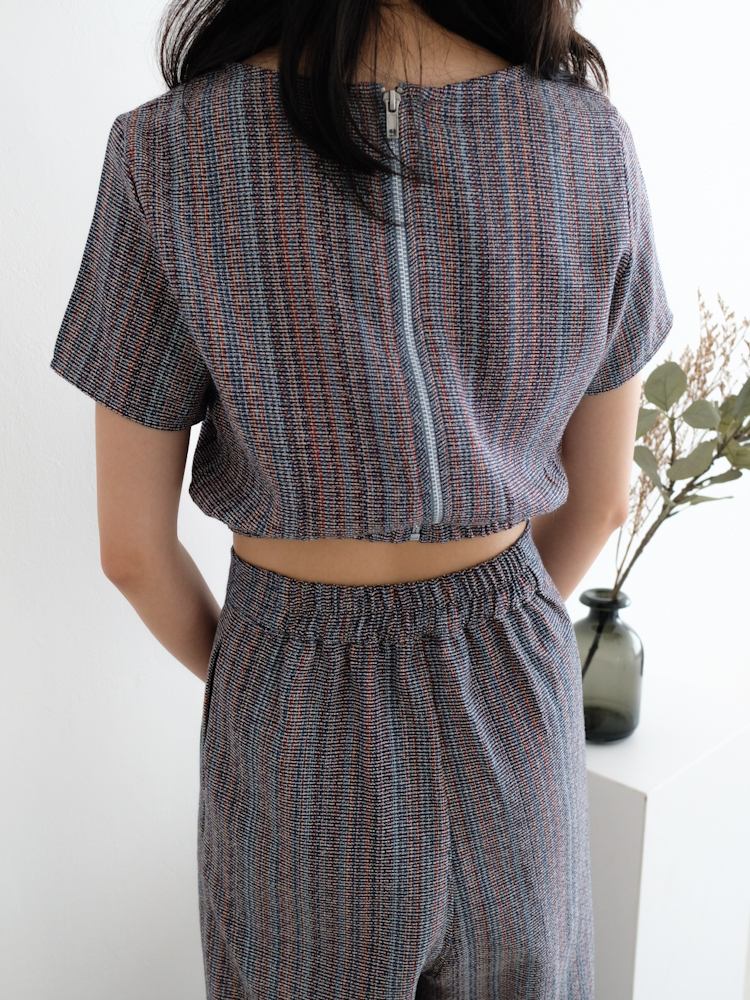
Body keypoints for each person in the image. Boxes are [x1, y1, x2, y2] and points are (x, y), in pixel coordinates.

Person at [49, 0, 673, 996]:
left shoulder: (167, 152)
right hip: (515, 688)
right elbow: (601, 498)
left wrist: (261, 671)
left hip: (295, 700)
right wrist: (489, 636)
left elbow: (130, 549)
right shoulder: (589, 139)